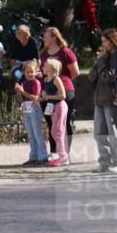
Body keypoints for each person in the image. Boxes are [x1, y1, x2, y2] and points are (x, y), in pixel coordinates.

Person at [41, 27, 79, 158]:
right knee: (51, 122)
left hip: (65, 91)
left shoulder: (66, 52)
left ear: (54, 37)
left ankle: (65, 153)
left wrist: (60, 84)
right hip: (48, 92)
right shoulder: (44, 53)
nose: (43, 39)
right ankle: (54, 152)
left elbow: (75, 72)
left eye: (46, 36)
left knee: (64, 121)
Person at [90, 29, 117, 173]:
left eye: (105, 41)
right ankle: (104, 162)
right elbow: (92, 76)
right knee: (99, 132)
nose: (103, 44)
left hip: (112, 98)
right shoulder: (104, 57)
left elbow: (109, 77)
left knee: (114, 132)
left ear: (112, 41)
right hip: (99, 98)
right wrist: (98, 62)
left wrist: (101, 63)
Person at [14, 60, 47, 166]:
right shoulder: (24, 83)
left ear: (36, 71)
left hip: (34, 109)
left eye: (32, 71)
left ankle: (43, 156)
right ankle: (33, 156)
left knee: (37, 134)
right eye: (27, 72)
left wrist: (23, 92)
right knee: (31, 135)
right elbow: (21, 99)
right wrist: (19, 93)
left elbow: (35, 97)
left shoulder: (36, 82)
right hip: (27, 110)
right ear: (24, 72)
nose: (30, 74)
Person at [40, 58, 69, 167]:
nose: (43, 67)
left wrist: (48, 96)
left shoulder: (56, 79)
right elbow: (45, 96)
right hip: (53, 107)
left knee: (58, 131)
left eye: (45, 65)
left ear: (51, 67)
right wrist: (39, 98)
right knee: (54, 131)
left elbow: (63, 95)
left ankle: (63, 157)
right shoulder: (46, 80)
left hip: (60, 106)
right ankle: (62, 156)